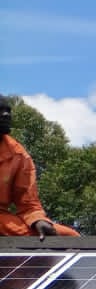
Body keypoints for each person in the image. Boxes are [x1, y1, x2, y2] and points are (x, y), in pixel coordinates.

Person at [0, 97, 80, 238]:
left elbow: (28, 202)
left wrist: (38, 220)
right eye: (0, 111)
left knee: (69, 237)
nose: (6, 115)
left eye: (8, 111)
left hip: (2, 220)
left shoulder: (18, 154)